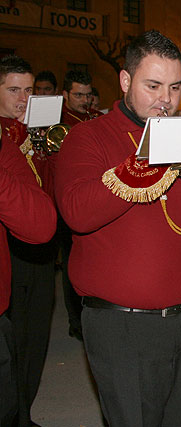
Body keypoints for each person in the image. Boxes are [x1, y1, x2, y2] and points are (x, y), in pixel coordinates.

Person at [55, 30, 181, 426]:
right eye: (153, 85)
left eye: (174, 87)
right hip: (123, 324)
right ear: (125, 81)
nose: (166, 100)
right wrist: (141, 165)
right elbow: (76, 212)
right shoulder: (88, 137)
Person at [0, 55, 58, 427]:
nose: (23, 99)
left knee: (36, 334)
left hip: (40, 241)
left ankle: (25, 410)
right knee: (14, 340)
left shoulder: (34, 129)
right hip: (12, 247)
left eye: (28, 90)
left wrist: (46, 150)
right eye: (13, 90)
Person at [59, 71, 104, 342]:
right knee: (71, 259)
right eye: (78, 95)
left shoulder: (96, 118)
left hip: (96, 191)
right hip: (71, 195)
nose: (85, 100)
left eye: (88, 95)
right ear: (65, 95)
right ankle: (76, 318)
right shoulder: (60, 120)